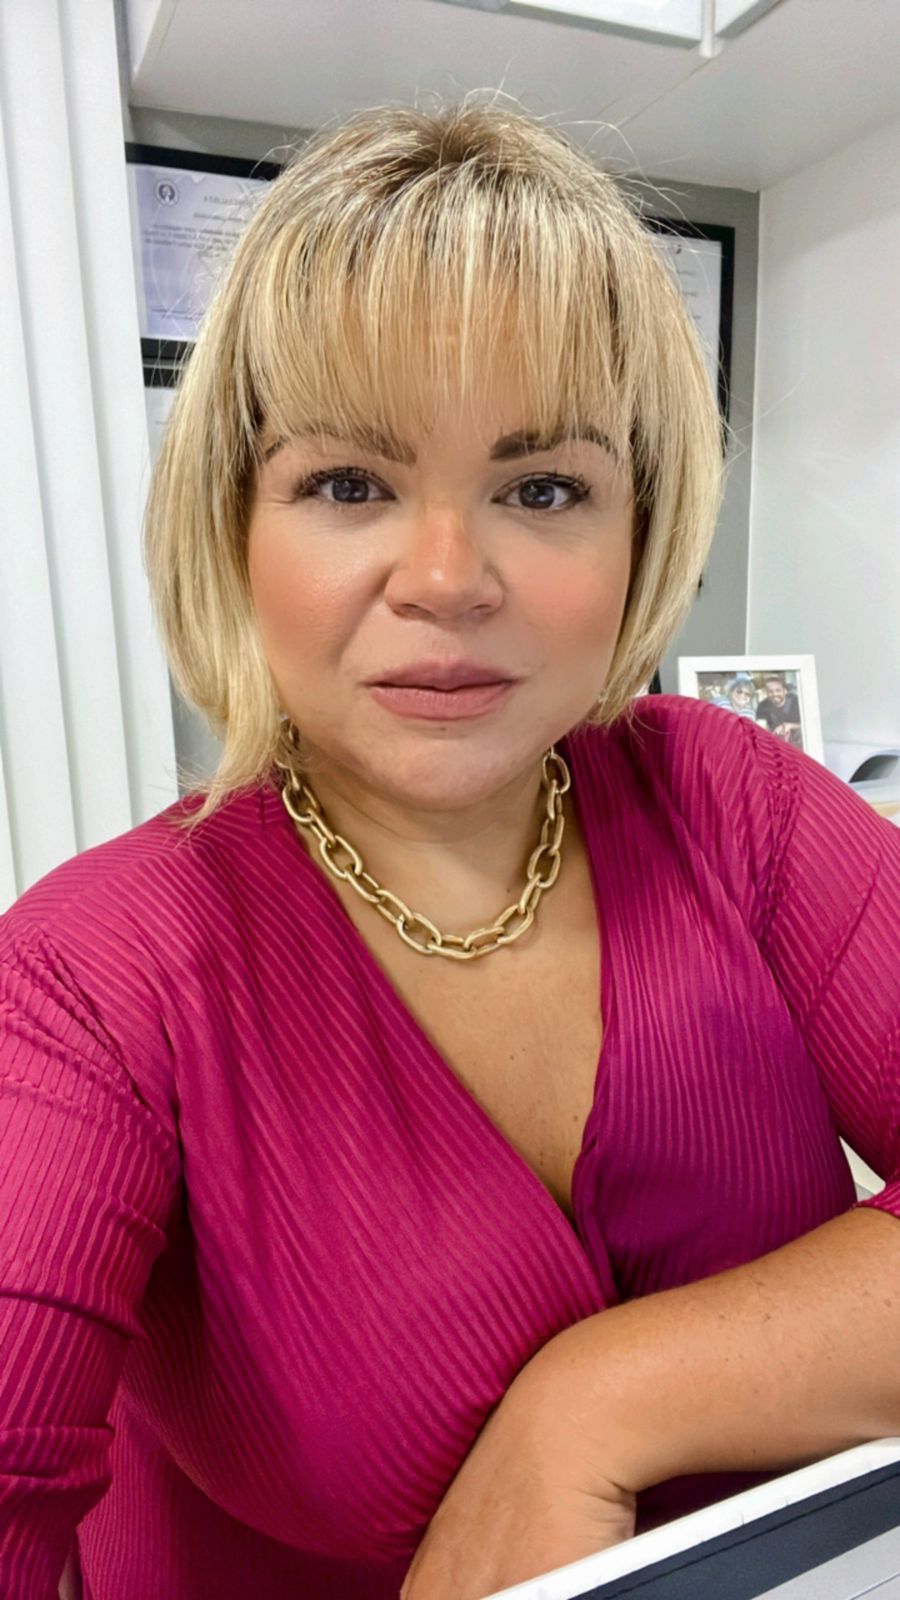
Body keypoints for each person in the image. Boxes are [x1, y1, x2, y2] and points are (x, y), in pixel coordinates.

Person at [1, 96, 899, 1600]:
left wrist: (595, 1403)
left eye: (542, 489)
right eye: (348, 483)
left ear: (640, 528)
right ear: (233, 527)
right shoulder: (86, 982)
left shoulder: (730, 804)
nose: (446, 578)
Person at [756, 672, 804, 746]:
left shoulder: (795, 701)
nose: (774, 694)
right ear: (766, 693)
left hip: (797, 738)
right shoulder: (763, 706)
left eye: (778, 690)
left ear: (785, 691)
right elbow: (760, 727)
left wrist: (789, 726)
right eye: (770, 691)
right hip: (775, 740)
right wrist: (774, 734)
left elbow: (808, 724)